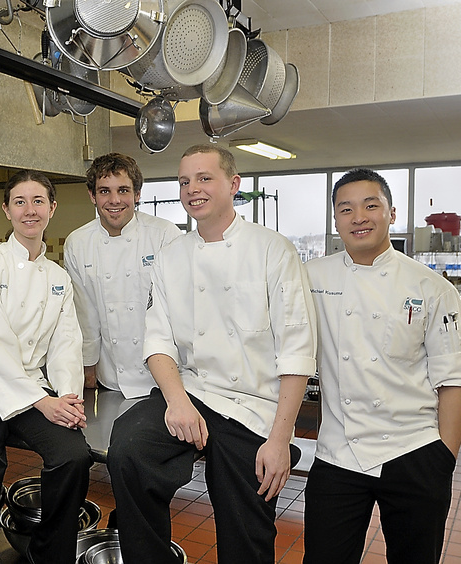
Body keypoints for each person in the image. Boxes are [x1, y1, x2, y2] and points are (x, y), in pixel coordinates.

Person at [107, 144, 317, 564]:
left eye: (204, 178)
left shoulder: (273, 251)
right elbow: (159, 341)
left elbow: (297, 352)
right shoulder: (171, 257)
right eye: (184, 181)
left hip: (254, 404)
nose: (192, 189)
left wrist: (280, 440)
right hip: (195, 391)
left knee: (245, 520)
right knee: (128, 446)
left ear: (233, 184)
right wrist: (177, 400)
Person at [303, 168, 461, 564]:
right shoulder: (311, 277)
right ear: (335, 220)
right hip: (338, 453)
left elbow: (454, 380)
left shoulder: (431, 288)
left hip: (412, 450)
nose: (358, 217)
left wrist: (442, 462)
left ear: (392, 213)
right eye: (346, 209)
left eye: (371, 205)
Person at [0, 170, 92, 564]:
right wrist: (43, 401)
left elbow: (66, 343)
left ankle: (47, 552)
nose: (30, 210)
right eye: (20, 202)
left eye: (38, 201)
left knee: (73, 456)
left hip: (30, 393)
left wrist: (69, 396)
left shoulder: (58, 278)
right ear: (6, 210)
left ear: (52, 208)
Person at [64, 152, 181, 398]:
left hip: (166, 377)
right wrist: (88, 366)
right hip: (111, 377)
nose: (114, 200)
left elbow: (179, 311)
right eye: (104, 191)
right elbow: (86, 313)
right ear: (92, 196)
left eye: (124, 190)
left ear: (137, 195)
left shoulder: (163, 235)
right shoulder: (78, 242)